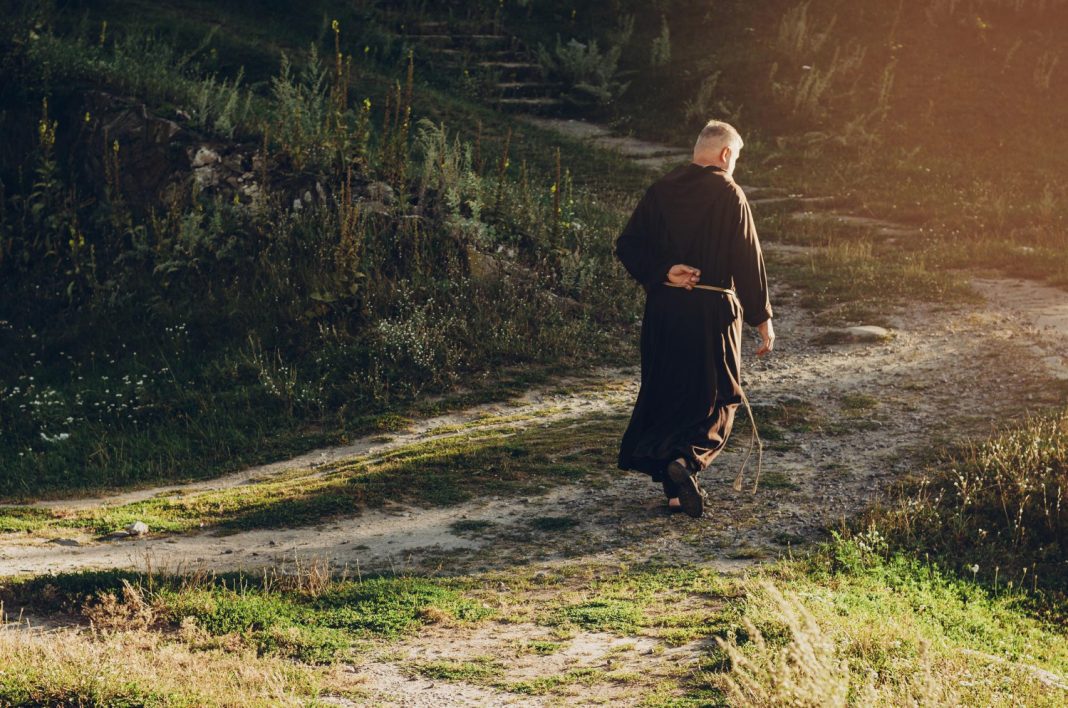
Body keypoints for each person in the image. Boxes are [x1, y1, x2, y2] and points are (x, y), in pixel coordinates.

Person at [615, 119, 775, 518]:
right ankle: (686, 462)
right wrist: (762, 318)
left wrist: (664, 272)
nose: (734, 164)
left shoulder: (661, 189)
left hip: (664, 310)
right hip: (712, 311)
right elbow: (748, 260)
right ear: (725, 155)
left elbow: (628, 245)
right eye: (735, 157)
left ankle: (674, 492)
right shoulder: (729, 193)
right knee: (721, 396)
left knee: (670, 393)